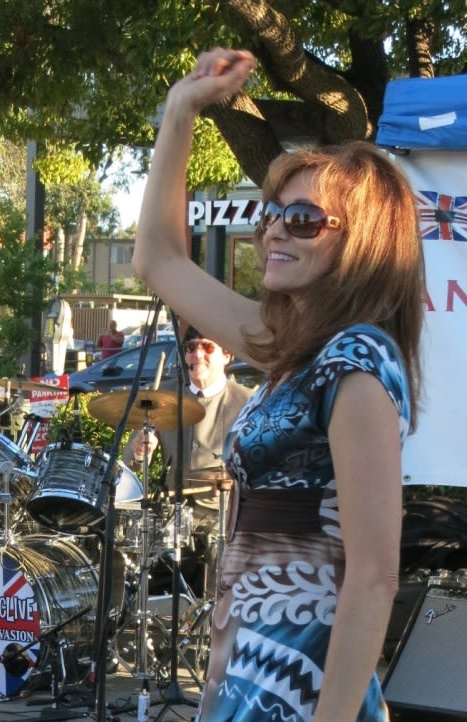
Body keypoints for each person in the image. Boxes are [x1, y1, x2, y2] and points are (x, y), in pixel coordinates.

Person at [132, 48, 423, 722]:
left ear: (366, 245)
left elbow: (375, 574)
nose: (273, 233)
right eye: (271, 216)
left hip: (306, 678)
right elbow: (159, 259)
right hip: (252, 664)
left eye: (304, 220)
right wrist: (182, 110)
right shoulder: (293, 349)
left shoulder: (355, 361)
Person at [127, 325, 253, 595]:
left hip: (223, 520)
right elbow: (131, 461)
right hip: (171, 517)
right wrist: (140, 450)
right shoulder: (162, 396)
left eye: (207, 347)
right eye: (190, 348)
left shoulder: (247, 403)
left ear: (227, 355)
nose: (197, 354)